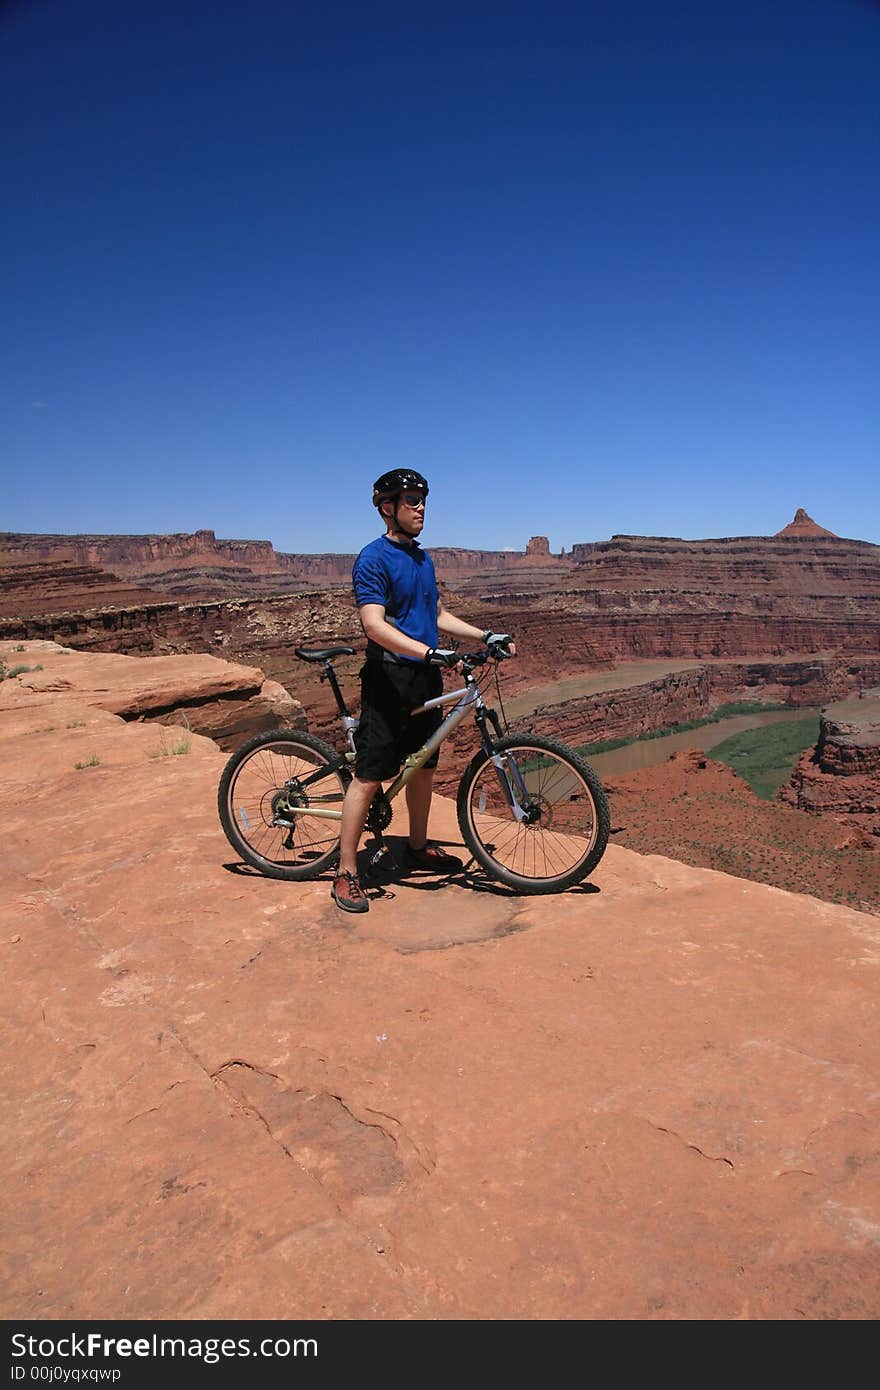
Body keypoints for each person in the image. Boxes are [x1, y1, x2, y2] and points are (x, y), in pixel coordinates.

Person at [331, 468, 514, 913]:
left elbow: (435, 614)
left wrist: (482, 635)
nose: (420, 508)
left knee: (423, 767)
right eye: (411, 500)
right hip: (389, 679)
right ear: (386, 507)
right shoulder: (373, 558)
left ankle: (415, 847)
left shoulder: (421, 557)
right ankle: (346, 871)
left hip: (424, 677)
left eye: (422, 500)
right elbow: (373, 625)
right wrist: (427, 654)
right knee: (370, 775)